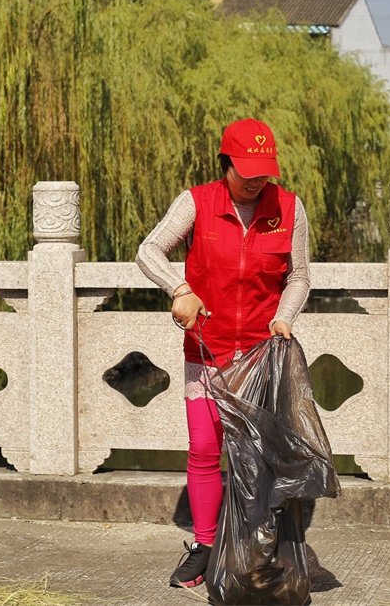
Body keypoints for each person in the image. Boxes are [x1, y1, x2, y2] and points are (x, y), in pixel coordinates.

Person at [135, 118, 311, 589]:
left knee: (256, 456)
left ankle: (253, 545)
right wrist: (179, 288)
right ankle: (205, 545)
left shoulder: (289, 207)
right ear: (226, 162)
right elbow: (149, 250)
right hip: (206, 352)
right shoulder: (197, 202)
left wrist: (284, 317)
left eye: (263, 172)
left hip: (259, 354)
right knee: (204, 449)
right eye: (246, 171)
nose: (255, 181)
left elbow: (298, 276)